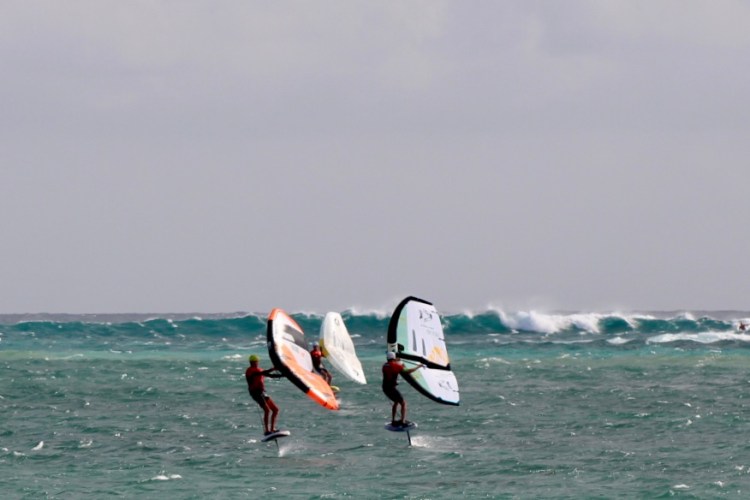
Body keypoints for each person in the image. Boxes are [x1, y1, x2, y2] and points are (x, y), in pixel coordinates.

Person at [382, 351, 423, 427]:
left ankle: (393, 420)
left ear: (387, 358)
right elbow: (407, 371)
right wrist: (418, 367)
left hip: (385, 388)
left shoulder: (384, 365)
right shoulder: (396, 366)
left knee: (396, 402)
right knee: (403, 403)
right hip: (391, 389)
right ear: (394, 358)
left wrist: (397, 361)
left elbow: (392, 365)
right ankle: (403, 421)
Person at [245, 354, 284, 435]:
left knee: (275, 410)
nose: (254, 363)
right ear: (250, 362)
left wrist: (284, 375)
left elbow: (270, 375)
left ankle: (272, 429)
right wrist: (273, 368)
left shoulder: (259, 370)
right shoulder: (249, 371)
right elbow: (262, 373)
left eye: (255, 361)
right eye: (252, 362)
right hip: (255, 393)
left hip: (262, 392)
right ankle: (267, 431)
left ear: (257, 361)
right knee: (267, 410)